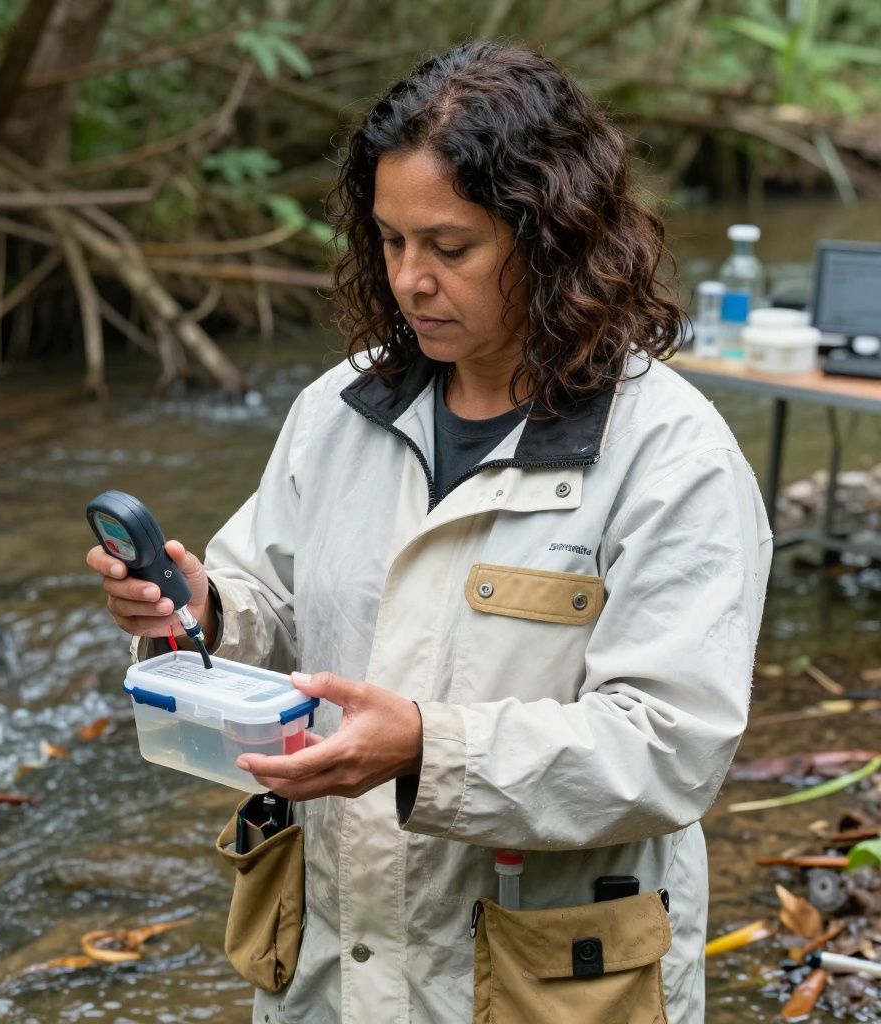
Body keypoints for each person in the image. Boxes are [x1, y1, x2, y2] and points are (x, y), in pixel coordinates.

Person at [87, 41, 772, 1024]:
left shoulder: (669, 457)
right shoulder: (339, 409)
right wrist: (198, 608)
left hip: (542, 984)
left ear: (554, 238)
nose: (410, 280)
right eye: (390, 241)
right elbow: (268, 605)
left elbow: (670, 750)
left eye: (449, 248)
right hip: (329, 966)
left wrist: (425, 749)